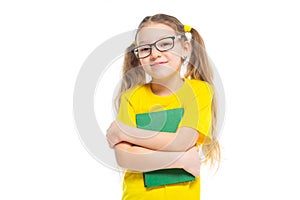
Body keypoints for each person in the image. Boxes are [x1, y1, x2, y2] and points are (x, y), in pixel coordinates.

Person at [106, 13, 220, 200]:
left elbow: (184, 140)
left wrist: (125, 132)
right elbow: (125, 157)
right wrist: (181, 159)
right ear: (138, 57)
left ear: (185, 49)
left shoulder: (199, 91)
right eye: (145, 48)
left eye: (165, 44)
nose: (155, 53)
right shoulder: (131, 97)